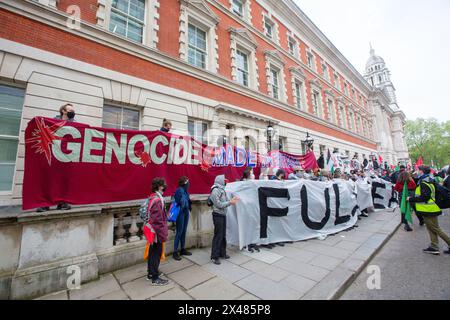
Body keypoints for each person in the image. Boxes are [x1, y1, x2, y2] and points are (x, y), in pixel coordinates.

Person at [36, 103, 76, 213]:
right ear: (63, 111)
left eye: (73, 110)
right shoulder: (52, 121)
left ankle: (62, 202)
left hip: (66, 156)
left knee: (63, 180)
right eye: (70, 110)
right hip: (53, 154)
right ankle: (45, 204)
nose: (72, 112)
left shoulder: (75, 124)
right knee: (50, 179)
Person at [409, 166, 450, 255]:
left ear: (422, 171)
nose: (417, 171)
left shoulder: (424, 182)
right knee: (431, 227)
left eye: (418, 170)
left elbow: (425, 197)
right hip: (430, 208)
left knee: (435, 228)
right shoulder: (429, 179)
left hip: (428, 209)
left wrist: (411, 199)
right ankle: (434, 246)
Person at [209, 175, 239, 265]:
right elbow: (218, 204)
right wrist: (230, 202)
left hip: (222, 215)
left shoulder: (222, 189)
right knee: (218, 236)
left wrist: (231, 200)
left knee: (223, 235)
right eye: (224, 180)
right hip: (217, 215)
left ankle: (222, 253)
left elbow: (224, 201)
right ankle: (214, 256)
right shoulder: (215, 190)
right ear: (220, 181)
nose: (226, 181)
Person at [146, 178, 170, 285]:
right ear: (160, 186)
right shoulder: (157, 200)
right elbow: (157, 220)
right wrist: (163, 233)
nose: (165, 186)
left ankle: (151, 273)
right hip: (156, 232)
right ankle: (155, 278)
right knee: (156, 253)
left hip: (153, 230)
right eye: (163, 184)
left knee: (152, 252)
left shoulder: (154, 197)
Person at [173, 176, 192, 261]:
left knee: (184, 231)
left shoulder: (185, 191)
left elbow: (187, 200)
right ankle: (175, 252)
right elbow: (177, 201)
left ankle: (182, 249)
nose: (189, 184)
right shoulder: (179, 190)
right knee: (179, 232)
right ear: (184, 183)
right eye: (187, 182)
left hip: (185, 212)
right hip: (180, 213)